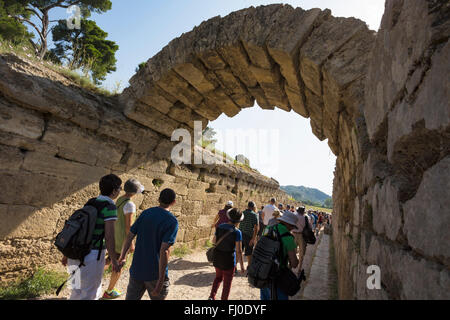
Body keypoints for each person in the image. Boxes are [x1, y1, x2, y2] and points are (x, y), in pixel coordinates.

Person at [62, 174, 122, 300]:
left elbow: (77, 229)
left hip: (76, 252)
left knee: (76, 289)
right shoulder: (110, 207)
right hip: (93, 255)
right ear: (114, 191)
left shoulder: (91, 202)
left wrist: (66, 254)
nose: (120, 191)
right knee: (90, 292)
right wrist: (114, 260)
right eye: (119, 188)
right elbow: (109, 236)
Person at [119, 188, 178, 300]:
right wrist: (161, 281)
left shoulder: (146, 213)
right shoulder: (171, 221)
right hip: (155, 274)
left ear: (158, 199)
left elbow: (129, 235)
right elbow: (164, 250)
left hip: (137, 269)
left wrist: (122, 257)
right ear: (173, 202)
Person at [102, 178, 145, 300]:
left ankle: (91, 277)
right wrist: (131, 244)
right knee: (119, 265)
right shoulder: (130, 204)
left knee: (110, 259)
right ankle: (109, 291)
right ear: (135, 192)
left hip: (115, 236)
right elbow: (129, 226)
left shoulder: (120, 199)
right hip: (123, 240)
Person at [260, 210, 299, 300]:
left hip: (262, 272)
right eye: (292, 226)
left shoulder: (267, 229)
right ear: (288, 224)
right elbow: (294, 264)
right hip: (276, 278)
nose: (292, 229)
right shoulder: (288, 237)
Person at [209, 208, 245, 300]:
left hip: (218, 257)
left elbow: (214, 241)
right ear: (238, 220)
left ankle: (212, 296)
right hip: (229, 260)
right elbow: (239, 250)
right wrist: (241, 266)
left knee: (218, 278)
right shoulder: (237, 232)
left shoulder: (220, 226)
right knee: (227, 283)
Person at [238, 201, 259, 270]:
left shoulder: (242, 213)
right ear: (253, 207)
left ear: (247, 206)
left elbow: (238, 223)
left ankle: (234, 267)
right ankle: (249, 267)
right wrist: (253, 239)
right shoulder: (254, 215)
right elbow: (256, 228)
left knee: (238, 251)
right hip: (249, 236)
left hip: (240, 234)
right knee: (249, 252)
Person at [291, 206, 309, 276]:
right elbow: (308, 226)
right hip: (301, 235)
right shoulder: (305, 217)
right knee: (301, 253)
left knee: (292, 251)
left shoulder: (294, 216)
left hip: (293, 234)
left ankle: (291, 266)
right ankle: (299, 269)